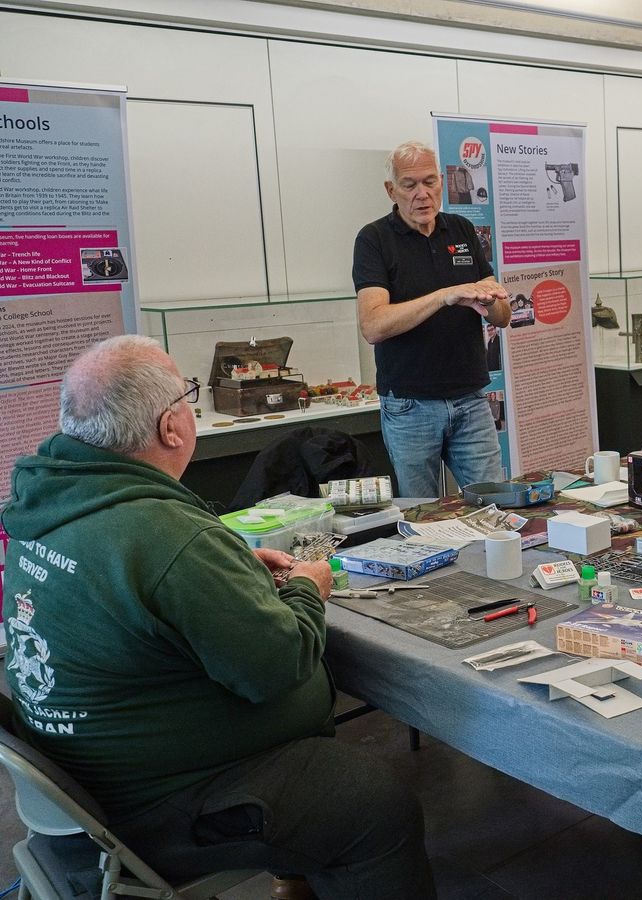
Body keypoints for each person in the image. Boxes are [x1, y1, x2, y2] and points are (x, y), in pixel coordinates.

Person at [2, 335, 435, 900]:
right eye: (187, 393)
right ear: (170, 428)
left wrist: (222, 567)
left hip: (86, 781)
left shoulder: (53, 504)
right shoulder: (161, 535)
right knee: (373, 805)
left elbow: (137, 588)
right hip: (155, 803)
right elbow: (275, 667)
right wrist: (307, 588)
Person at [353, 140, 511, 497]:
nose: (422, 194)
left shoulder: (462, 230)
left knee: (495, 505)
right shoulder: (374, 239)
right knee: (421, 518)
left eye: (429, 182)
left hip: (470, 399)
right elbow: (373, 325)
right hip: (410, 405)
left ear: (441, 181)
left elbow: (501, 317)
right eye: (410, 185)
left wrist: (490, 300)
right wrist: (444, 296)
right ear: (391, 190)